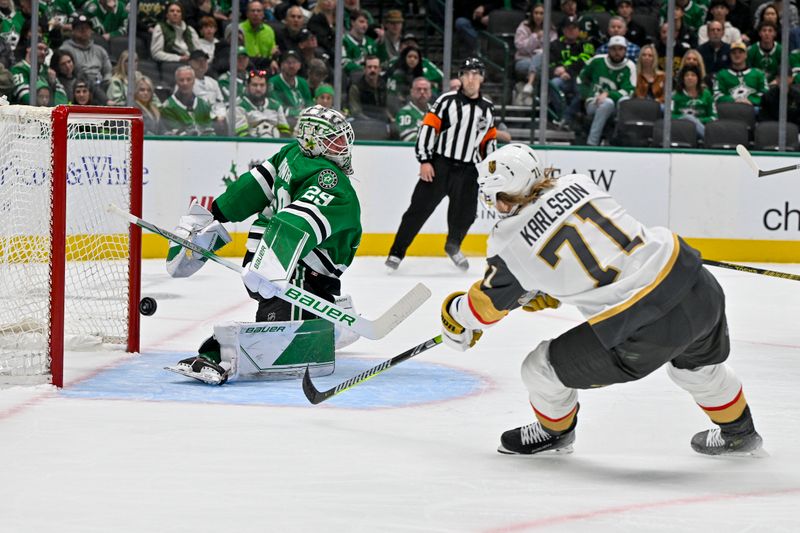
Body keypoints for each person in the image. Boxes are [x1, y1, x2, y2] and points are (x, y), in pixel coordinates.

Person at [440, 142, 764, 458]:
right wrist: (548, 288)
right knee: (698, 369)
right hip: (695, 283)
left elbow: (484, 309)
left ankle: (555, 432)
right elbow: (593, 247)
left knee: (539, 369)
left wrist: (456, 317)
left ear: (500, 197)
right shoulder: (579, 183)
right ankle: (740, 434)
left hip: (644, 325)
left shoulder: (508, 241)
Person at [169, 105, 362, 384]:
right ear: (312, 140)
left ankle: (330, 322)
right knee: (284, 336)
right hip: (287, 269)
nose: (343, 146)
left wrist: (218, 213)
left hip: (280, 265)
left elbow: (254, 191)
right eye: (335, 139)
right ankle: (220, 356)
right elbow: (293, 219)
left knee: (286, 327)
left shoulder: (291, 155)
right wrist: (271, 263)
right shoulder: (327, 177)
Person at [386, 57, 496, 272]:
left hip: (469, 171)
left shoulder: (487, 109)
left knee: (466, 214)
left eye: (475, 74)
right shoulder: (446, 101)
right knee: (418, 210)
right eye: (467, 73)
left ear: (482, 78)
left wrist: (488, 172)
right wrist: (425, 160)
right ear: (461, 77)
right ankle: (396, 252)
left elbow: (488, 143)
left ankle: (453, 245)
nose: (471, 78)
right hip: (440, 166)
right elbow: (428, 129)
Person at [578, 35, 636, 146]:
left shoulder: (629, 66)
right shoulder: (597, 61)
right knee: (607, 103)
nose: (617, 52)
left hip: (616, 105)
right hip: (595, 103)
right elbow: (581, 78)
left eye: (620, 49)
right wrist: (586, 95)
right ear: (608, 49)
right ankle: (592, 142)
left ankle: (618, 140)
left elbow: (629, 90)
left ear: (625, 50)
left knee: (624, 101)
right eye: (614, 49)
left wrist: (608, 94)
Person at [59, 14, 112, 103]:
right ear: (73, 31)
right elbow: (69, 73)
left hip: (101, 86)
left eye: (87, 28)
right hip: (78, 86)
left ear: (91, 31)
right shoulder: (66, 49)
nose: (84, 30)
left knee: (113, 82)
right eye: (80, 28)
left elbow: (108, 72)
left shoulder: (100, 50)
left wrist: (106, 83)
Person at [713, 40, 768, 113]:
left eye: (740, 52)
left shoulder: (758, 74)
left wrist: (750, 100)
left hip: (752, 110)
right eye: (734, 53)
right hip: (729, 111)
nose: (737, 55)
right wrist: (735, 100)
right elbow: (717, 95)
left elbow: (765, 93)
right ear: (730, 55)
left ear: (746, 55)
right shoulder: (722, 74)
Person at [160, 64, 215, 136]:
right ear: (176, 82)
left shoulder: (203, 104)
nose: (185, 83)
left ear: (194, 81)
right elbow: (179, 135)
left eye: (188, 79)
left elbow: (210, 132)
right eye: (181, 80)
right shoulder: (168, 107)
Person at [236, 68, 291, 138]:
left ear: (267, 87)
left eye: (262, 85)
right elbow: (242, 135)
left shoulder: (276, 106)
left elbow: (285, 131)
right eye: (254, 85)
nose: (258, 89)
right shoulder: (239, 107)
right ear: (247, 86)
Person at [268, 49, 313, 124]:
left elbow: (309, 103)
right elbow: (276, 106)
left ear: (299, 65)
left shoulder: (303, 82)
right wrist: (299, 113)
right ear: (281, 65)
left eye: (294, 62)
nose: (291, 66)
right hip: (283, 121)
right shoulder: (273, 82)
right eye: (288, 62)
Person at [672, 64, 716, 140]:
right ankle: (710, 140)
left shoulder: (707, 94)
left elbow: (714, 117)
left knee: (690, 118)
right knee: (688, 117)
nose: (690, 77)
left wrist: (697, 121)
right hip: (681, 129)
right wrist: (686, 120)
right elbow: (670, 116)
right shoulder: (675, 95)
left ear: (698, 78)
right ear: (683, 79)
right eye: (687, 75)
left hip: (702, 126)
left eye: (693, 75)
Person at [347, 54, 389, 121]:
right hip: (363, 124)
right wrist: (372, 122)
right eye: (369, 67)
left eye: (375, 67)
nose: (372, 70)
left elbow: (387, 108)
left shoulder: (384, 86)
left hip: (382, 124)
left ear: (379, 70)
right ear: (364, 69)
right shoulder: (356, 88)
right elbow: (356, 112)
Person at [395, 76, 432, 142]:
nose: (422, 92)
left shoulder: (437, 112)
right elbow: (409, 139)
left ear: (430, 93)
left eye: (425, 89)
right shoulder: (404, 113)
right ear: (412, 92)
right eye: (418, 89)